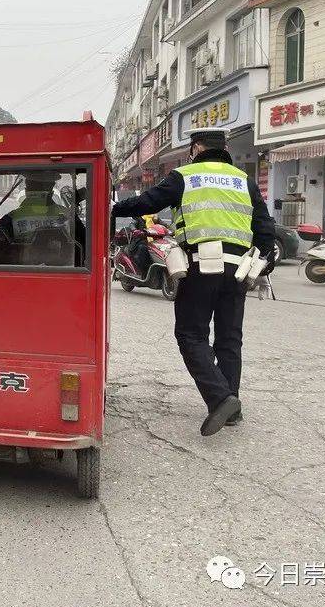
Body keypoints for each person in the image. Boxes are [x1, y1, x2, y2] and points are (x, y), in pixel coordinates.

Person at [112, 128, 275, 436]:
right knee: (229, 338)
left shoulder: (184, 176)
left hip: (201, 264)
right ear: (224, 148)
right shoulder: (245, 181)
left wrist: (113, 208)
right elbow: (265, 228)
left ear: (197, 148)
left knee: (190, 334)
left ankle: (220, 398)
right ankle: (232, 409)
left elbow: (147, 203)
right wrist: (262, 262)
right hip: (239, 269)